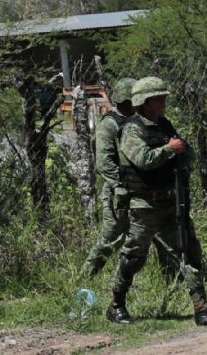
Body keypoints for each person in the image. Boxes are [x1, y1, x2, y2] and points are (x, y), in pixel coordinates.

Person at [107, 77, 207, 325]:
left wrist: (180, 151)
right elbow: (142, 159)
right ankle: (116, 305)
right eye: (158, 99)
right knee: (134, 256)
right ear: (144, 103)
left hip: (171, 203)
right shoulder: (133, 129)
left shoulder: (164, 126)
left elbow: (187, 153)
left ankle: (202, 308)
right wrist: (169, 150)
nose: (163, 103)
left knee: (189, 250)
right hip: (144, 206)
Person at [80, 78, 137, 278]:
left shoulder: (139, 120)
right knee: (113, 236)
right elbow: (104, 162)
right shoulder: (109, 125)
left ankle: (171, 276)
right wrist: (119, 186)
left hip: (141, 187)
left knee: (159, 234)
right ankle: (87, 276)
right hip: (118, 189)